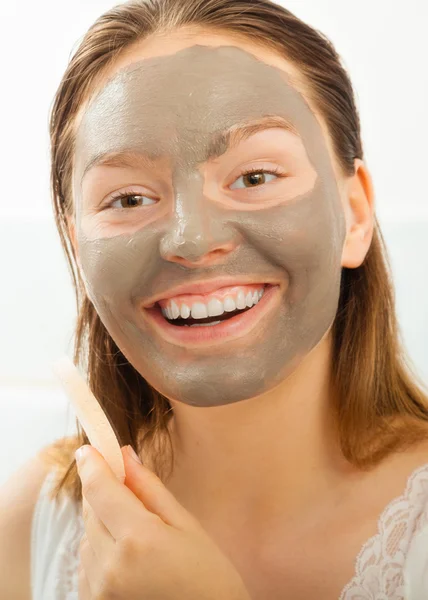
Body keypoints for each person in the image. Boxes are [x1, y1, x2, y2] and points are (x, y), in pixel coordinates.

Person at [2, 0, 428, 598]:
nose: (193, 241)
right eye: (127, 199)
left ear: (355, 216)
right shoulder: (30, 525)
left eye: (254, 178)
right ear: (77, 248)